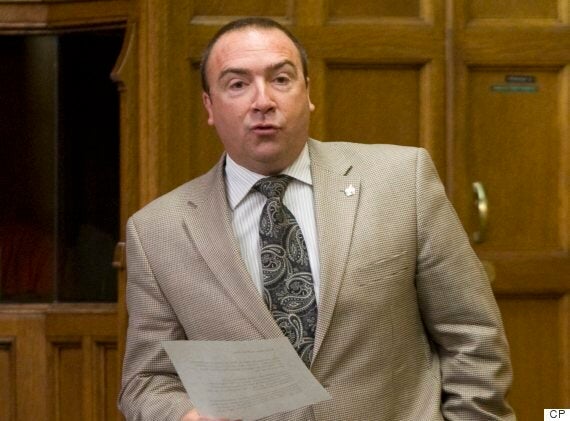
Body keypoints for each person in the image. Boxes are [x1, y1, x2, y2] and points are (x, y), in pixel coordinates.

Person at [118, 17, 515, 421]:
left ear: (307, 91)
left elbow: (473, 335)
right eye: (237, 84)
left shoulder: (401, 182)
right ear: (209, 105)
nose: (262, 101)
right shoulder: (158, 232)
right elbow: (147, 380)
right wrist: (184, 417)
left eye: (281, 79)